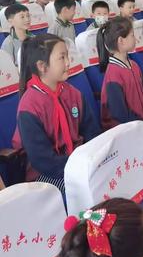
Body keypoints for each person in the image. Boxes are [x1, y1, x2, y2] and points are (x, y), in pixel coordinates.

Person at [12, 34, 100, 193]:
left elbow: (92, 132)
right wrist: (77, 168)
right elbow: (43, 160)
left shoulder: (73, 93)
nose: (68, 62)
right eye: (62, 57)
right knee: (84, 189)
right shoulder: (30, 105)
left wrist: (93, 160)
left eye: (67, 55)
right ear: (42, 66)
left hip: (81, 162)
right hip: (47, 173)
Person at [97, 17, 143, 129]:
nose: (135, 39)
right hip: (128, 130)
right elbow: (119, 113)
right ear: (121, 40)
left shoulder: (134, 65)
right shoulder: (113, 74)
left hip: (142, 124)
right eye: (132, 35)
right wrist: (141, 125)